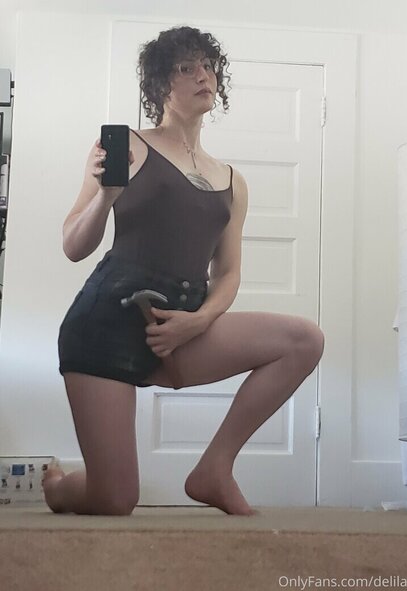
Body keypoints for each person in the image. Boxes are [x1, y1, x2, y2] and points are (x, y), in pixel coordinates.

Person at [43, 25, 324, 517]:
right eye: (186, 67)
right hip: (105, 323)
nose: (203, 76)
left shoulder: (232, 180)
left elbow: (229, 273)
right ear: (159, 84)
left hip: (182, 325)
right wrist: (106, 197)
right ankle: (59, 487)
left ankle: (214, 468)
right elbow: (73, 245)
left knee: (303, 341)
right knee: (114, 500)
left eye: (208, 67)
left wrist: (200, 321)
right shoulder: (125, 146)